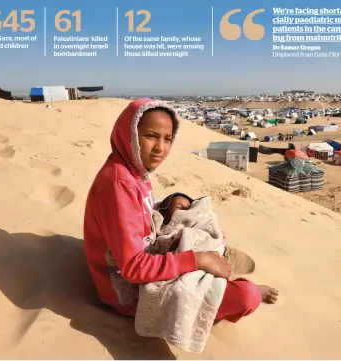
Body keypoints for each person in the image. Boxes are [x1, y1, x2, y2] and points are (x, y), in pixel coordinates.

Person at [84, 98, 278, 323]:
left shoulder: (133, 170)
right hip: (127, 292)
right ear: (130, 135)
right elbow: (133, 268)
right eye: (151, 136)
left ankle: (217, 259)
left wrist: (169, 207)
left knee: (191, 216)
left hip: (147, 254)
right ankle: (227, 272)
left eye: (167, 139)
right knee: (247, 297)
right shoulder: (119, 183)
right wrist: (197, 260)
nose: (160, 149)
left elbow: (134, 218)